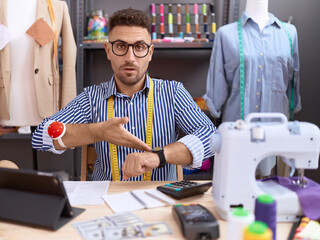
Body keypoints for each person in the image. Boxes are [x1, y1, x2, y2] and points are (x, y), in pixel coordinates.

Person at [32, 8, 216, 181]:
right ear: (108, 50)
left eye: (139, 47)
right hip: (106, 199)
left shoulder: (173, 93)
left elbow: (211, 137)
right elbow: (41, 136)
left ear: (150, 52)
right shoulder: (91, 98)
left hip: (159, 197)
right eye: (120, 46)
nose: (130, 57)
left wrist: (158, 157)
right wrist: (98, 131)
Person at [204, 0, 301, 176]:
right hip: (238, 130)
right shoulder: (226, 34)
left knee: (274, 190)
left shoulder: (289, 33)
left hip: (277, 130)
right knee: (237, 191)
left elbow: (294, 80)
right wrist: (214, 107)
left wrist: (293, 105)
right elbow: (217, 80)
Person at [0, 0, 76, 141]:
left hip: (47, 104)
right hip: (9, 106)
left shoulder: (57, 6)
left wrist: (68, 118)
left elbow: (69, 58)